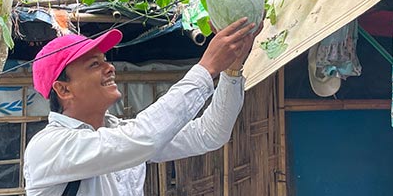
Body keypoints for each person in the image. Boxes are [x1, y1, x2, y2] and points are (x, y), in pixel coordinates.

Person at [24, 17, 261, 195]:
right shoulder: (49, 147)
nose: (110, 68)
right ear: (63, 89)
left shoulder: (118, 133)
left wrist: (231, 70)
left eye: (105, 60)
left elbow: (209, 134)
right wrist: (206, 68)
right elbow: (146, 136)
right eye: (94, 65)